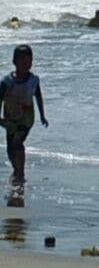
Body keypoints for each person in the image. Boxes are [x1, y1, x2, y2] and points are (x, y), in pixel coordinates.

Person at [2, 45, 46, 189]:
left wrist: (42, 116)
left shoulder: (34, 80)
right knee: (10, 150)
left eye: (29, 61)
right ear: (14, 61)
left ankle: (20, 175)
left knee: (17, 142)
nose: (26, 64)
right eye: (22, 61)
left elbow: (38, 97)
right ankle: (16, 170)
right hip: (10, 119)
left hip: (26, 118)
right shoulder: (7, 82)